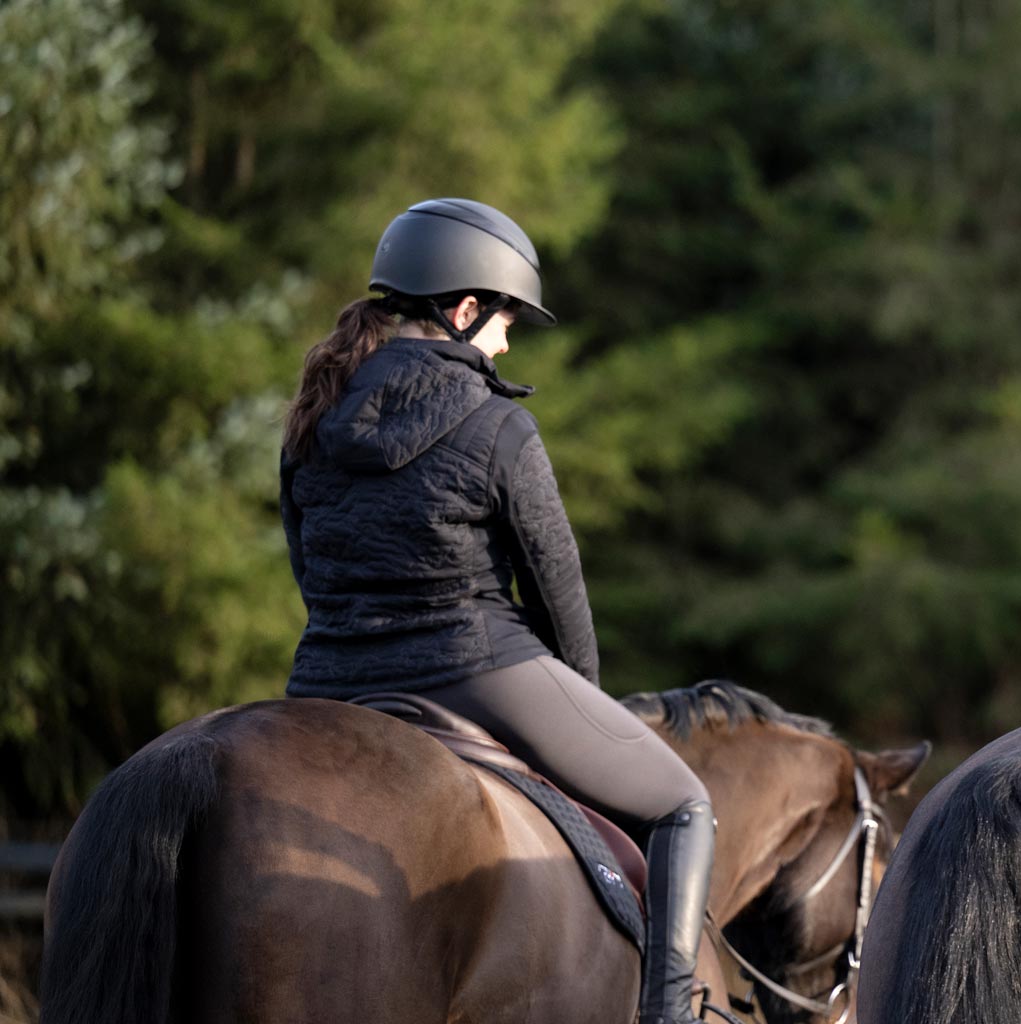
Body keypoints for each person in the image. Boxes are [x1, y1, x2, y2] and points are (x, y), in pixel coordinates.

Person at [279, 198, 713, 1024]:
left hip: (329, 679)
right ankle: (671, 1018)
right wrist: (579, 707)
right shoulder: (499, 423)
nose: (508, 343)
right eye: (507, 319)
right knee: (683, 804)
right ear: (464, 308)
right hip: (477, 669)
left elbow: (310, 566)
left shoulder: (312, 414)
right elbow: (558, 592)